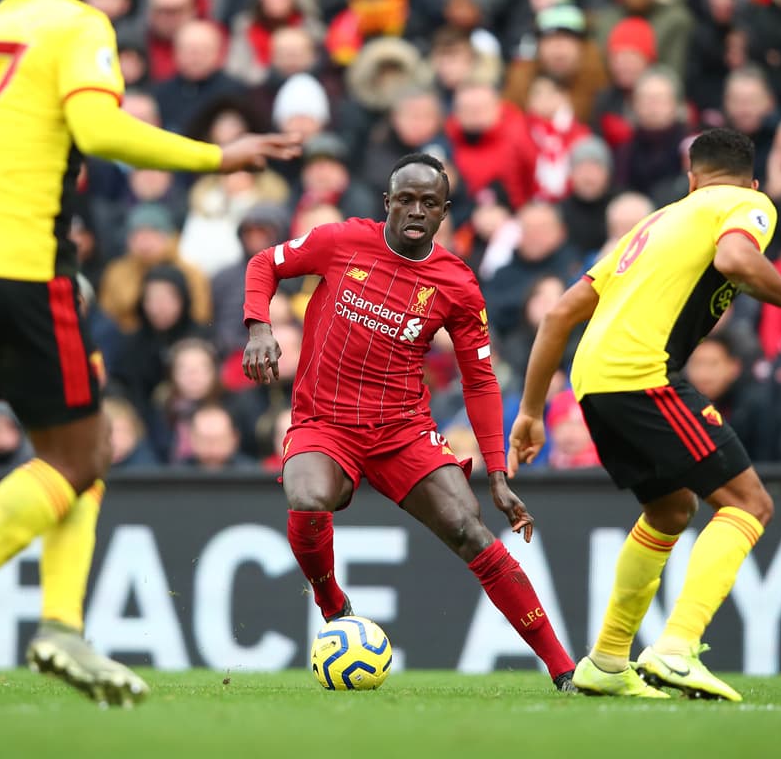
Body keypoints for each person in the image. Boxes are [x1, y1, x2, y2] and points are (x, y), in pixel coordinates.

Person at [0, 0, 298, 707]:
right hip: (32, 269)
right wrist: (216, 154)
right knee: (76, 459)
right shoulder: (76, 24)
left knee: (85, 449)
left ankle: (60, 625)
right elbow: (98, 130)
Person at [508, 128, 781, 700]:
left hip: (593, 381)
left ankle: (608, 662)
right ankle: (676, 648)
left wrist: (531, 411)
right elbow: (735, 257)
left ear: (691, 179)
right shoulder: (747, 204)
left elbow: (559, 315)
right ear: (752, 181)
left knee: (669, 510)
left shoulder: (655, 223)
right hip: (643, 374)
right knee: (749, 503)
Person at [241, 152, 578, 693]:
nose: (415, 210)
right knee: (306, 497)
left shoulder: (457, 284)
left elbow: (481, 380)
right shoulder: (341, 241)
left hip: (401, 430)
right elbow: (264, 263)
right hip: (325, 421)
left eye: (428, 202)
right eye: (405, 199)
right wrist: (259, 327)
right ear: (387, 204)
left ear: (444, 212)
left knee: (470, 531)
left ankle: (564, 669)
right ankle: (336, 608)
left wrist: (497, 471)